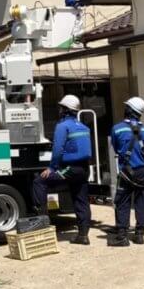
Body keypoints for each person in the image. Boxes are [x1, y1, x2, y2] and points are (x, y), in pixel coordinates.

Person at [32, 94, 93, 245]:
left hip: (70, 168)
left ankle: (43, 225)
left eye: (61, 107)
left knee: (40, 182)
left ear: (65, 110)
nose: (59, 110)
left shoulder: (62, 126)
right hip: (84, 169)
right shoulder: (84, 127)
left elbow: (58, 149)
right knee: (81, 200)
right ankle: (83, 235)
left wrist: (52, 168)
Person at [109, 96, 144, 247]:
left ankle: (122, 236)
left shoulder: (117, 129)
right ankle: (140, 234)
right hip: (142, 171)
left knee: (122, 201)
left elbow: (116, 148)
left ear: (129, 110)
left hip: (126, 171)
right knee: (141, 201)